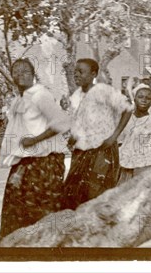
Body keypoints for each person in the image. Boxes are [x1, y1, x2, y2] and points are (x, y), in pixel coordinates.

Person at [0, 58, 71, 241]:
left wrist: (36, 140)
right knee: (16, 208)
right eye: (16, 71)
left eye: (25, 71)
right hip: (26, 161)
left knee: (38, 210)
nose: (20, 74)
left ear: (33, 74)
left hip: (44, 162)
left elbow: (62, 123)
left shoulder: (40, 95)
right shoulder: (21, 98)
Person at [62, 58, 133, 210]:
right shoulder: (76, 96)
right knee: (74, 194)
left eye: (81, 72)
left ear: (93, 74)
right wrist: (73, 138)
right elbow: (79, 121)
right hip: (81, 152)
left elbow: (127, 109)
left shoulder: (102, 90)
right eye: (75, 72)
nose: (76, 75)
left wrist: (114, 136)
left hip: (102, 150)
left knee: (97, 194)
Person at [117, 84, 151, 185]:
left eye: (148, 98)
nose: (144, 100)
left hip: (142, 163)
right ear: (135, 99)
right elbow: (119, 140)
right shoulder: (126, 118)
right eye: (140, 97)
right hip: (123, 160)